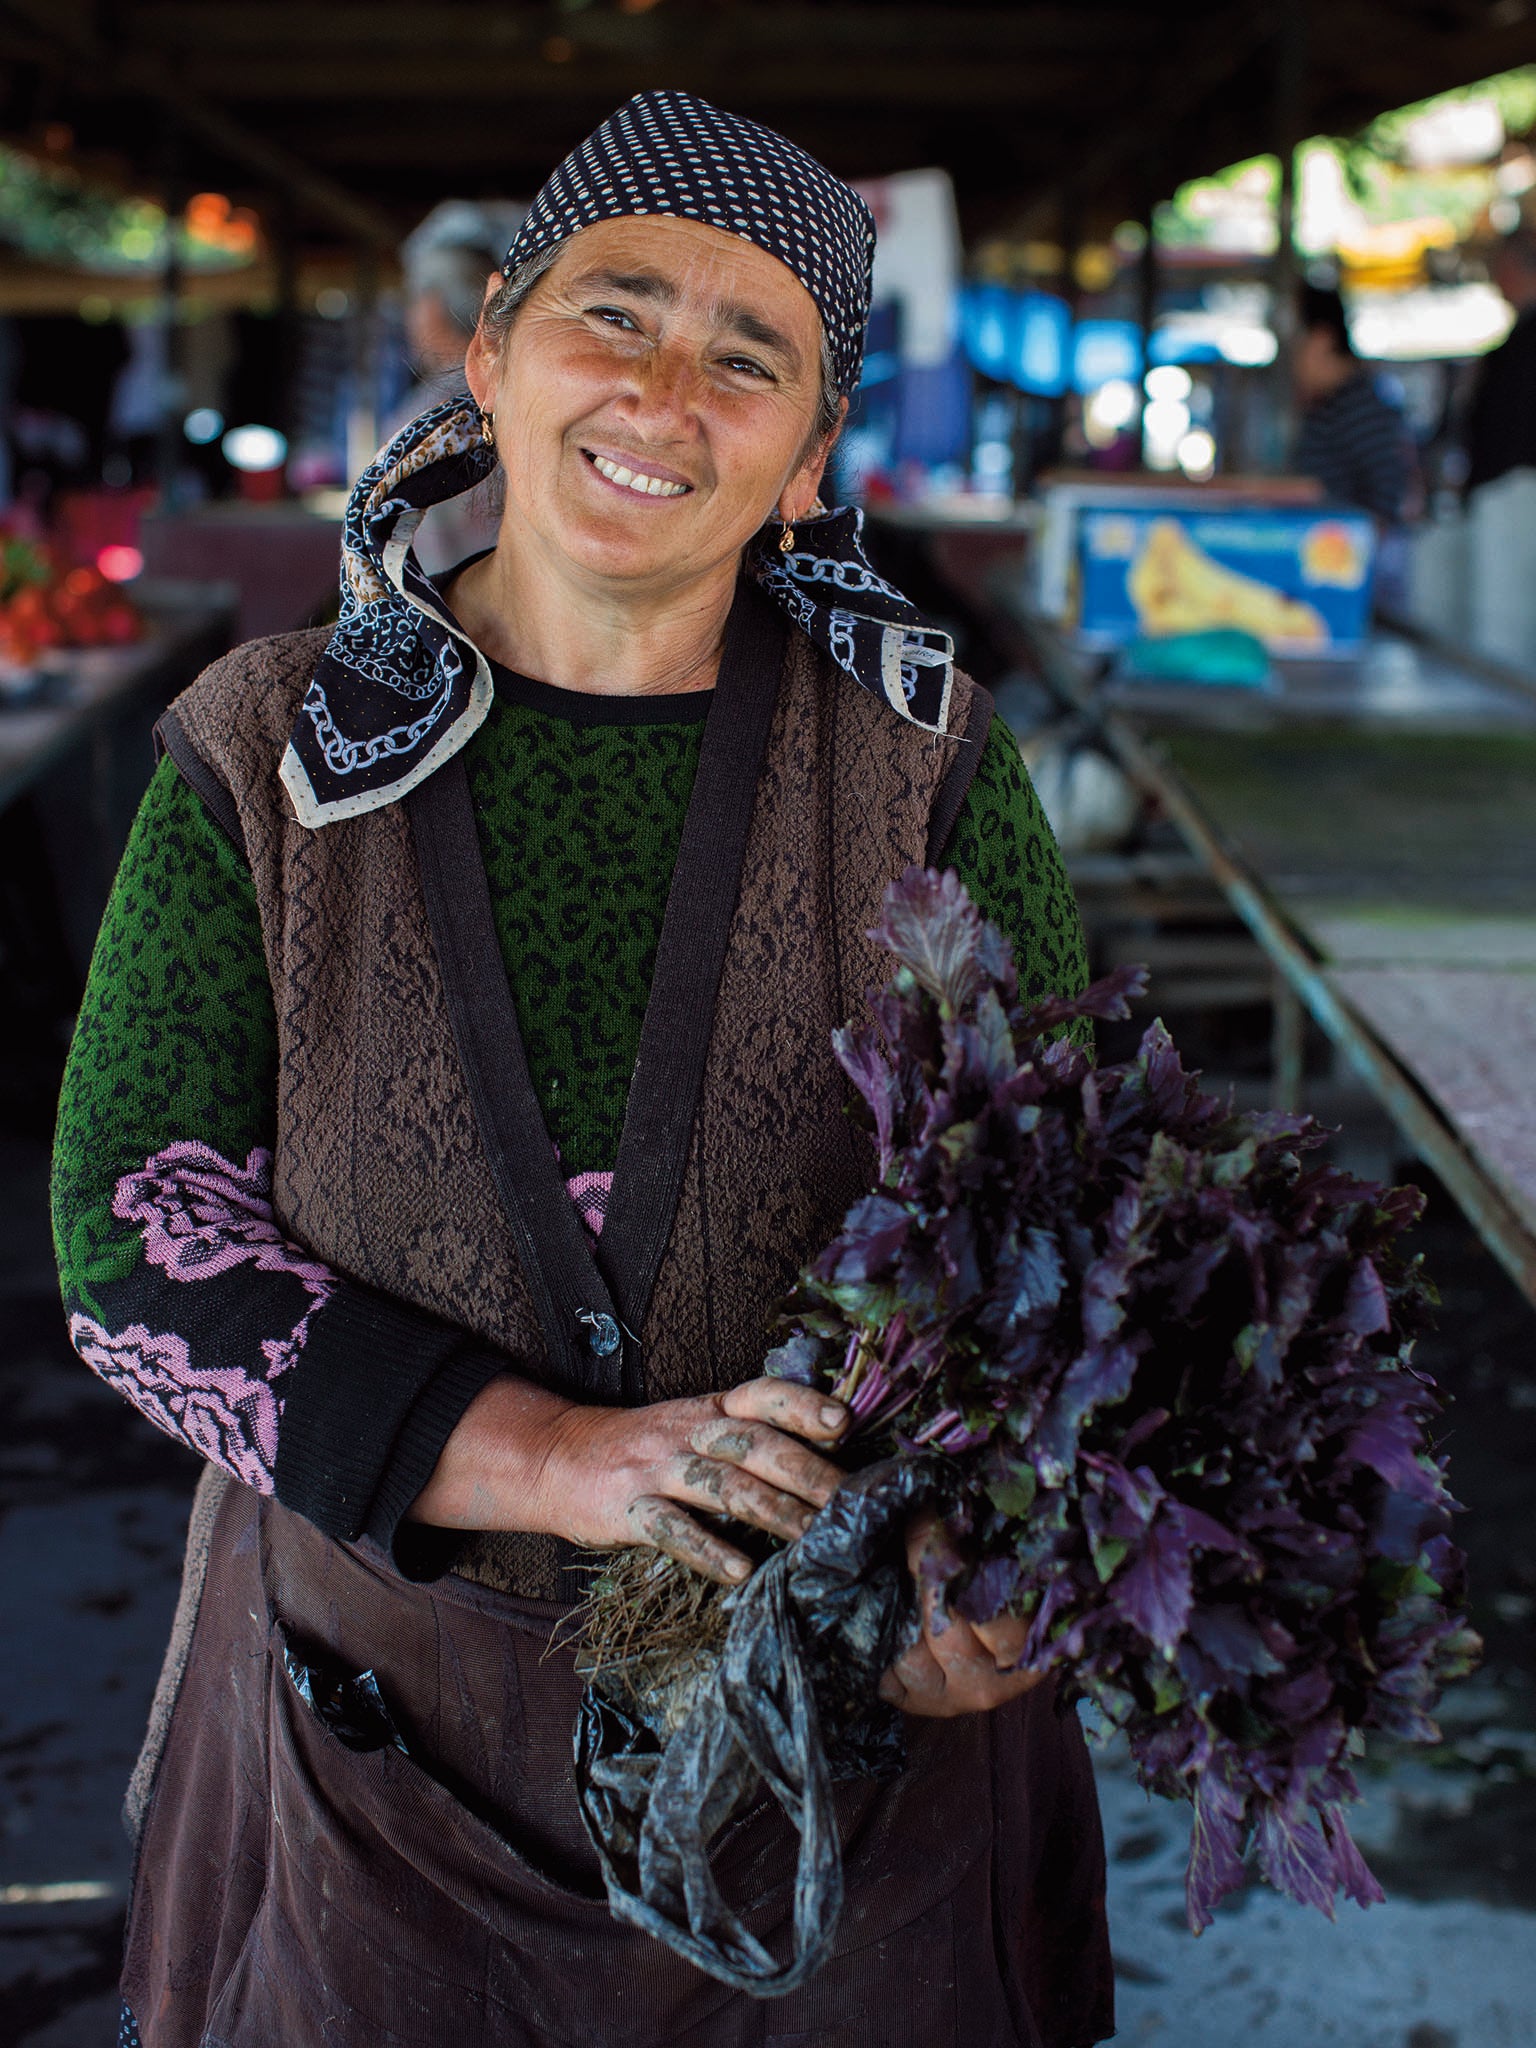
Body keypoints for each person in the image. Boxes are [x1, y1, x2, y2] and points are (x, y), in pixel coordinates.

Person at [52, 92, 1112, 2048]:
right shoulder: (263, 753)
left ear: (811, 453)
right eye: (612, 314)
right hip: (386, 1752)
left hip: (845, 1755)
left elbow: (1061, 1203)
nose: (662, 392)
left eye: (748, 356)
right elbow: (137, 1240)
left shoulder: (926, 759)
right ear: (490, 354)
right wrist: (556, 1459)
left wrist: (986, 1536)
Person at [1463, 227, 1536, 666]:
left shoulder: (1526, 343)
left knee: (1505, 622)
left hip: (1515, 485)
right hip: (1507, 486)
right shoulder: (1518, 338)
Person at [1292, 283, 1410, 525]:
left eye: (1296, 342)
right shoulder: (1332, 405)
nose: (1291, 359)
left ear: (1321, 340)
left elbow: (1389, 497)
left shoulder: (1360, 407)